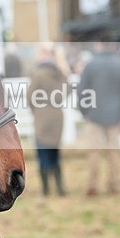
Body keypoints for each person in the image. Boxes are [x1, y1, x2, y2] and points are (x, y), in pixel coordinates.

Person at [77, 35, 120, 195]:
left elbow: (82, 91)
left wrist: (84, 111)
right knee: (113, 152)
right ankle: (114, 185)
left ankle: (93, 185)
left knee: (94, 152)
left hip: (93, 115)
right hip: (115, 115)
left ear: (99, 44)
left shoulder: (91, 65)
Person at [28, 43, 68, 196]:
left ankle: (46, 189)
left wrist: (36, 110)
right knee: (55, 151)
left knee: (43, 151)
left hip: (42, 117)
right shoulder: (60, 73)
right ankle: (60, 187)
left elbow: (30, 97)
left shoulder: (39, 74)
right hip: (57, 116)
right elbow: (67, 90)